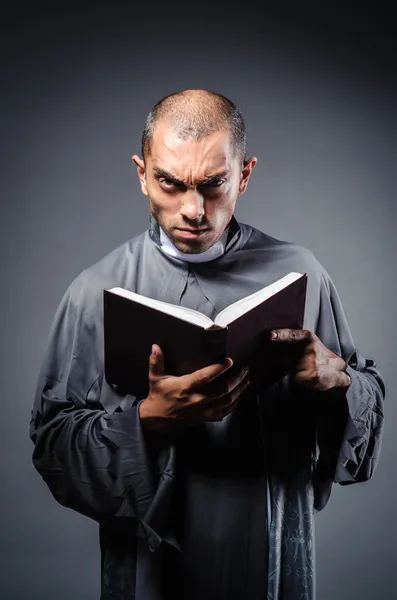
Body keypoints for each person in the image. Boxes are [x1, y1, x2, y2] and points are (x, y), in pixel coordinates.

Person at [30, 89, 385, 600]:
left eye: (214, 184)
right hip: (152, 564)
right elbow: (52, 444)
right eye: (170, 184)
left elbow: (363, 414)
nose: (193, 209)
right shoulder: (94, 292)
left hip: (270, 549)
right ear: (141, 173)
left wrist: (340, 384)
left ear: (244, 174)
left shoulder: (301, 274)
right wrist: (149, 420)